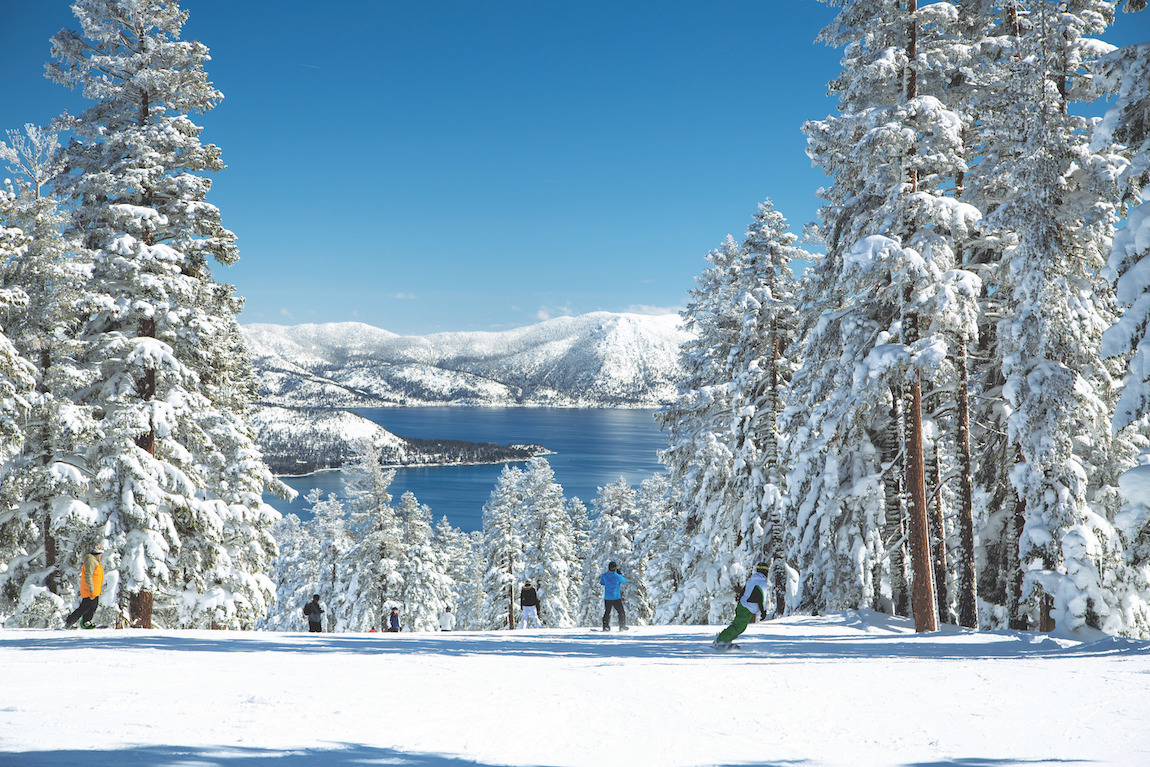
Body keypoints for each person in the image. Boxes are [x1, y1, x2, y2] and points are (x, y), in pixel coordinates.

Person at [713, 562, 770, 650]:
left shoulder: (752, 580)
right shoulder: (760, 582)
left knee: (739, 626)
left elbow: (743, 592)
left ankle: (725, 639)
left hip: (744, 606)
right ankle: (721, 640)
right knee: (739, 627)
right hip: (747, 607)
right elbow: (760, 597)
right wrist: (763, 611)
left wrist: (739, 604)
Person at [64, 545, 105, 629]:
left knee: (93, 606)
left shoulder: (95, 560)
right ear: (98, 553)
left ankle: (86, 622)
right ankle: (69, 623)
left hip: (95, 589)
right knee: (84, 607)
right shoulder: (91, 560)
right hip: (90, 589)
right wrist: (91, 588)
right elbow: (88, 575)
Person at [599, 561, 627, 631]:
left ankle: (605, 626)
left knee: (607, 612)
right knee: (621, 612)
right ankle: (622, 626)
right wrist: (620, 574)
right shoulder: (617, 576)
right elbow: (624, 581)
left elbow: (602, 583)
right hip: (616, 597)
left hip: (607, 597)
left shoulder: (604, 575)